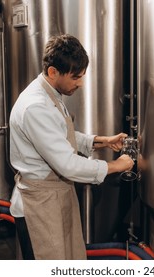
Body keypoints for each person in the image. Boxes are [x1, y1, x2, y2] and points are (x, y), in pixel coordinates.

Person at [9, 34, 134, 260]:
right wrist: (116, 165)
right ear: (53, 72)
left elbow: (58, 136)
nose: (81, 84)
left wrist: (101, 140)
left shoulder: (50, 95)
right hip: (39, 206)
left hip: (54, 199)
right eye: (75, 77)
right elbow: (67, 164)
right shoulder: (35, 106)